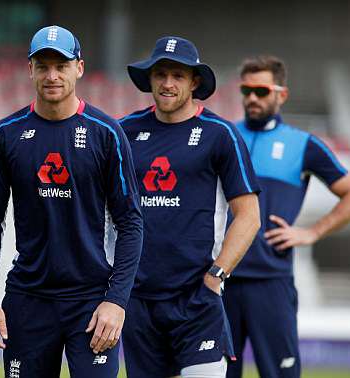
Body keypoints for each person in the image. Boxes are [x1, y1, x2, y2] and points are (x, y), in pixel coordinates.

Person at [0, 25, 143, 378]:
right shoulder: (7, 134)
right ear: (30, 69)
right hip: (28, 300)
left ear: (78, 68)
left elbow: (131, 222)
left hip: (92, 302)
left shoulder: (107, 133)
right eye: (43, 65)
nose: (52, 75)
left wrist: (116, 301)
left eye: (61, 66)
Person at [119, 36, 262, 378]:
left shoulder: (220, 134)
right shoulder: (124, 131)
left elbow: (249, 216)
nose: (168, 83)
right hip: (137, 300)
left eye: (178, 76)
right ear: (150, 79)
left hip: (196, 297)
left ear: (194, 81)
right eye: (161, 74)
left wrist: (216, 276)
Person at [223, 55, 350, 378]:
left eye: (261, 91)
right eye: (246, 90)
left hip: (271, 282)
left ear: (281, 94)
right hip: (220, 279)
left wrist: (311, 233)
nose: (252, 98)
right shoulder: (224, 136)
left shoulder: (303, 145)